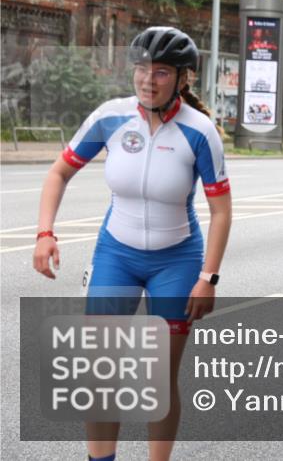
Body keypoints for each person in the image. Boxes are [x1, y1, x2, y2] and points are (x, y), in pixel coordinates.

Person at [33, 27, 232, 461]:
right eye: (141, 68)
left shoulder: (200, 132)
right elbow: (57, 173)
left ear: (184, 78)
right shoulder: (110, 116)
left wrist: (208, 278)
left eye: (161, 71)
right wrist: (45, 233)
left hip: (176, 260)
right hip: (116, 255)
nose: (147, 79)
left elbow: (221, 211)